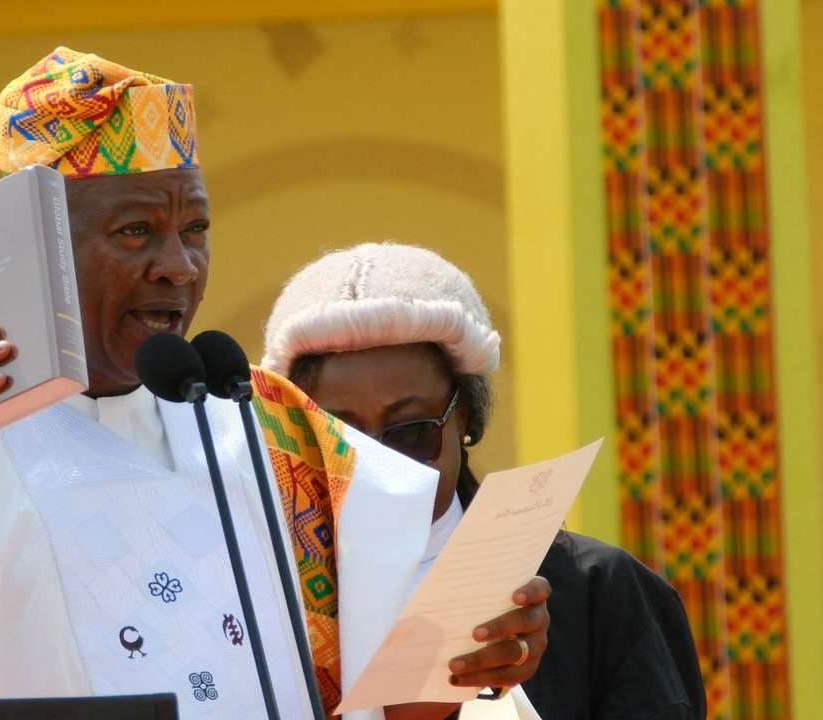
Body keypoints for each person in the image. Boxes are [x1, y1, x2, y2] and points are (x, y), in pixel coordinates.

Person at [0, 50, 551, 720]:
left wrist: (474, 661)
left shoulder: (269, 425)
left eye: (195, 229)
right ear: (35, 244)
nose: (177, 268)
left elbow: (379, 701)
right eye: (137, 230)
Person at [262, 242, 707, 720]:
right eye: (343, 439)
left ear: (465, 419)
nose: (377, 466)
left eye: (410, 431)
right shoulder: (261, 602)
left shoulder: (598, 594)